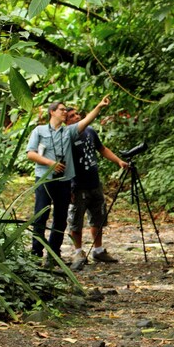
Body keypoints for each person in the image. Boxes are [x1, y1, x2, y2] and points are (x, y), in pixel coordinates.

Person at [26, 96, 111, 263]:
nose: (65, 112)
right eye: (62, 110)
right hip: (44, 180)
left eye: (66, 110)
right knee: (41, 216)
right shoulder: (39, 131)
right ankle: (36, 253)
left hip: (64, 181)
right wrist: (50, 163)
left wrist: (99, 106)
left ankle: (54, 253)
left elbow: (86, 121)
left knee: (60, 218)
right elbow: (31, 153)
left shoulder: (68, 132)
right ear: (52, 112)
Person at [66, 109, 129, 271]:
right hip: (77, 184)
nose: (76, 117)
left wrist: (118, 161)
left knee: (98, 217)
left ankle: (98, 250)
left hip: (94, 182)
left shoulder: (90, 131)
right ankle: (78, 252)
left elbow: (102, 149)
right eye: (71, 116)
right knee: (76, 220)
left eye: (76, 114)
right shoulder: (66, 135)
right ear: (65, 121)